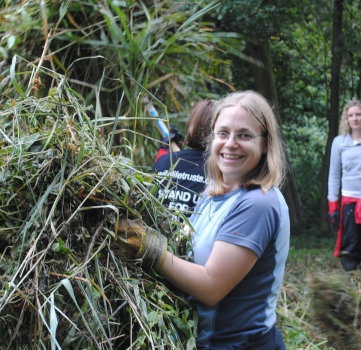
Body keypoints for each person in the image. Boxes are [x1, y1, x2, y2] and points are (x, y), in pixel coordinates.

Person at [115, 90, 290, 349]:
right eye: (223, 133)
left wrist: (150, 249)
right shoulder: (214, 193)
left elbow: (210, 287)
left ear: (265, 143)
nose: (230, 143)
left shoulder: (258, 204)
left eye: (244, 135)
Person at [327, 99, 361, 278]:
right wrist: (332, 206)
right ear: (346, 119)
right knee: (351, 242)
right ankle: (352, 280)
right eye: (351, 115)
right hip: (350, 199)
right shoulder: (339, 142)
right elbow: (334, 175)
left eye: (358, 114)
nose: (355, 118)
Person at [152, 100, 217, 222]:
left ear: (191, 126)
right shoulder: (223, 172)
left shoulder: (165, 161)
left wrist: (166, 152)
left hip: (155, 238)